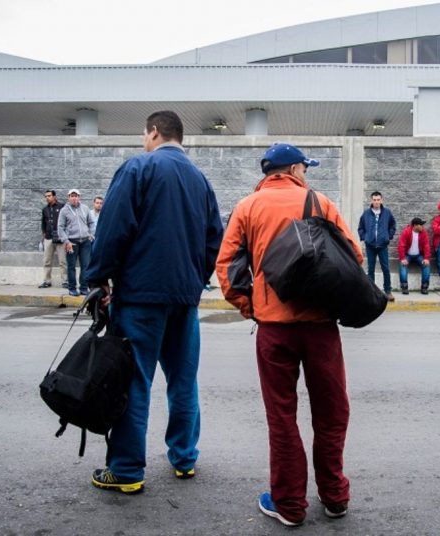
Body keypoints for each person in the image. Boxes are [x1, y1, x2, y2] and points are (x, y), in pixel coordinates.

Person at [217, 142, 361, 527]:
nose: (306, 174)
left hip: (274, 330)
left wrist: (253, 307)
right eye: (305, 168)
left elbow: (227, 267)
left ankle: (289, 505)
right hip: (320, 329)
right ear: (294, 169)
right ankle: (334, 497)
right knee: (331, 413)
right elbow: (354, 257)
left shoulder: (247, 207)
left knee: (282, 416)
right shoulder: (320, 203)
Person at [85, 110, 223, 495]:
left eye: (144, 134)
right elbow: (216, 238)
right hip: (185, 298)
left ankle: (127, 470)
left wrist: (98, 278)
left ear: (155, 132)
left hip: (141, 297)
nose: (143, 141)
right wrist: (195, 280)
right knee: (183, 379)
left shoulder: (138, 168)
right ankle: (184, 458)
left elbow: (113, 229)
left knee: (134, 380)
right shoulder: (200, 180)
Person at [357, 191, 397, 302]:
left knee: (386, 268)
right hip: (370, 245)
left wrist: (388, 236)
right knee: (371, 269)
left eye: (378, 199)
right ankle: (371, 292)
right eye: (374, 200)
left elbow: (393, 226)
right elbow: (360, 228)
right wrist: (365, 238)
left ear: (381, 200)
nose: (376, 202)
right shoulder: (366, 213)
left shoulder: (387, 213)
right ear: (371, 200)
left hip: (382, 245)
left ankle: (388, 291)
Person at [57, 188, 95, 297]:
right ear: (68, 198)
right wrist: (66, 241)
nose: (74, 198)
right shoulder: (64, 210)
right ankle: (72, 288)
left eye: (76, 196)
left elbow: (91, 222)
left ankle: (83, 287)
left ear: (79, 197)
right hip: (71, 243)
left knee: (86, 265)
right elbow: (60, 227)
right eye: (72, 196)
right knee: (71, 266)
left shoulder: (85, 208)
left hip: (85, 242)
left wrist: (91, 235)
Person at [39, 189, 67, 289]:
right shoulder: (44, 209)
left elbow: (67, 221)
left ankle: (65, 281)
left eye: (49, 196)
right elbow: (43, 222)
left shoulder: (62, 207)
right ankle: (47, 281)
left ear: (54, 196)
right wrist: (44, 235)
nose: (47, 198)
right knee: (46, 261)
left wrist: (65, 235)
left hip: (60, 238)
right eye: (46, 196)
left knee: (62, 261)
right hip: (48, 238)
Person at [397, 217, 431, 295]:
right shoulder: (406, 232)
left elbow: (426, 245)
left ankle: (424, 287)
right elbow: (401, 245)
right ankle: (404, 287)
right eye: (421, 225)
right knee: (402, 265)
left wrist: (426, 258)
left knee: (426, 265)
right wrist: (402, 258)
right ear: (415, 225)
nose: (422, 227)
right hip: (407, 255)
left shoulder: (423, 232)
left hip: (418, 255)